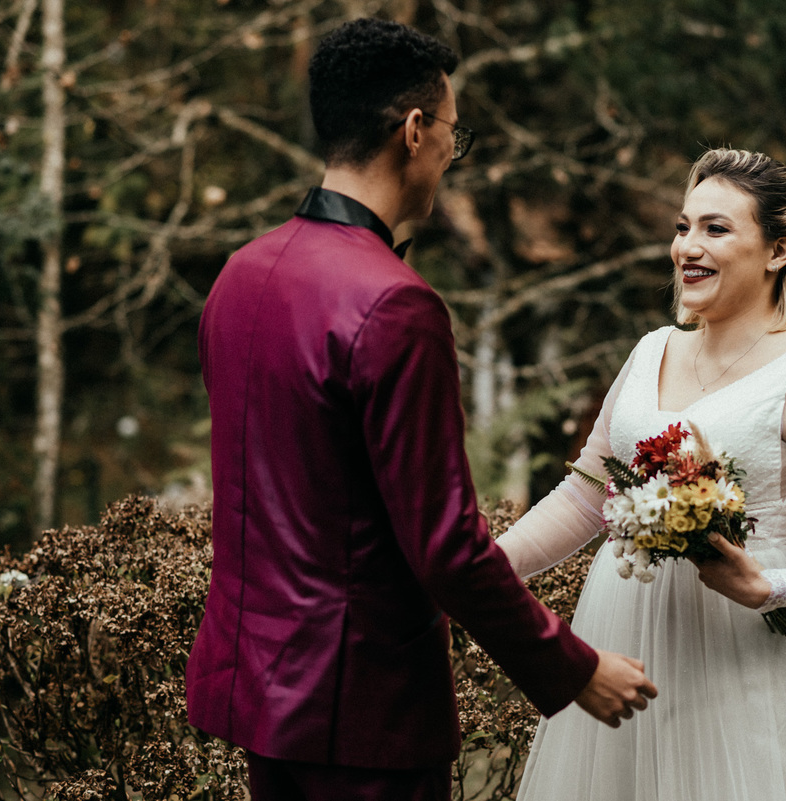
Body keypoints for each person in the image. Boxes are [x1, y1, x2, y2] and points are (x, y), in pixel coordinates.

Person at [186, 18, 655, 801]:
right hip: (362, 708)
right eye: (452, 132)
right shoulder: (395, 306)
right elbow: (445, 546)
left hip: (260, 692)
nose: (449, 154)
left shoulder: (240, 273)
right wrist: (573, 666)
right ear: (412, 130)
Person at [497, 147, 786, 800]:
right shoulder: (651, 350)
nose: (687, 245)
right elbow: (585, 498)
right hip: (620, 637)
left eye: (715, 228)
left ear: (778, 250)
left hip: (740, 651)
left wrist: (777, 583)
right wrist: (478, 570)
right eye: (683, 226)